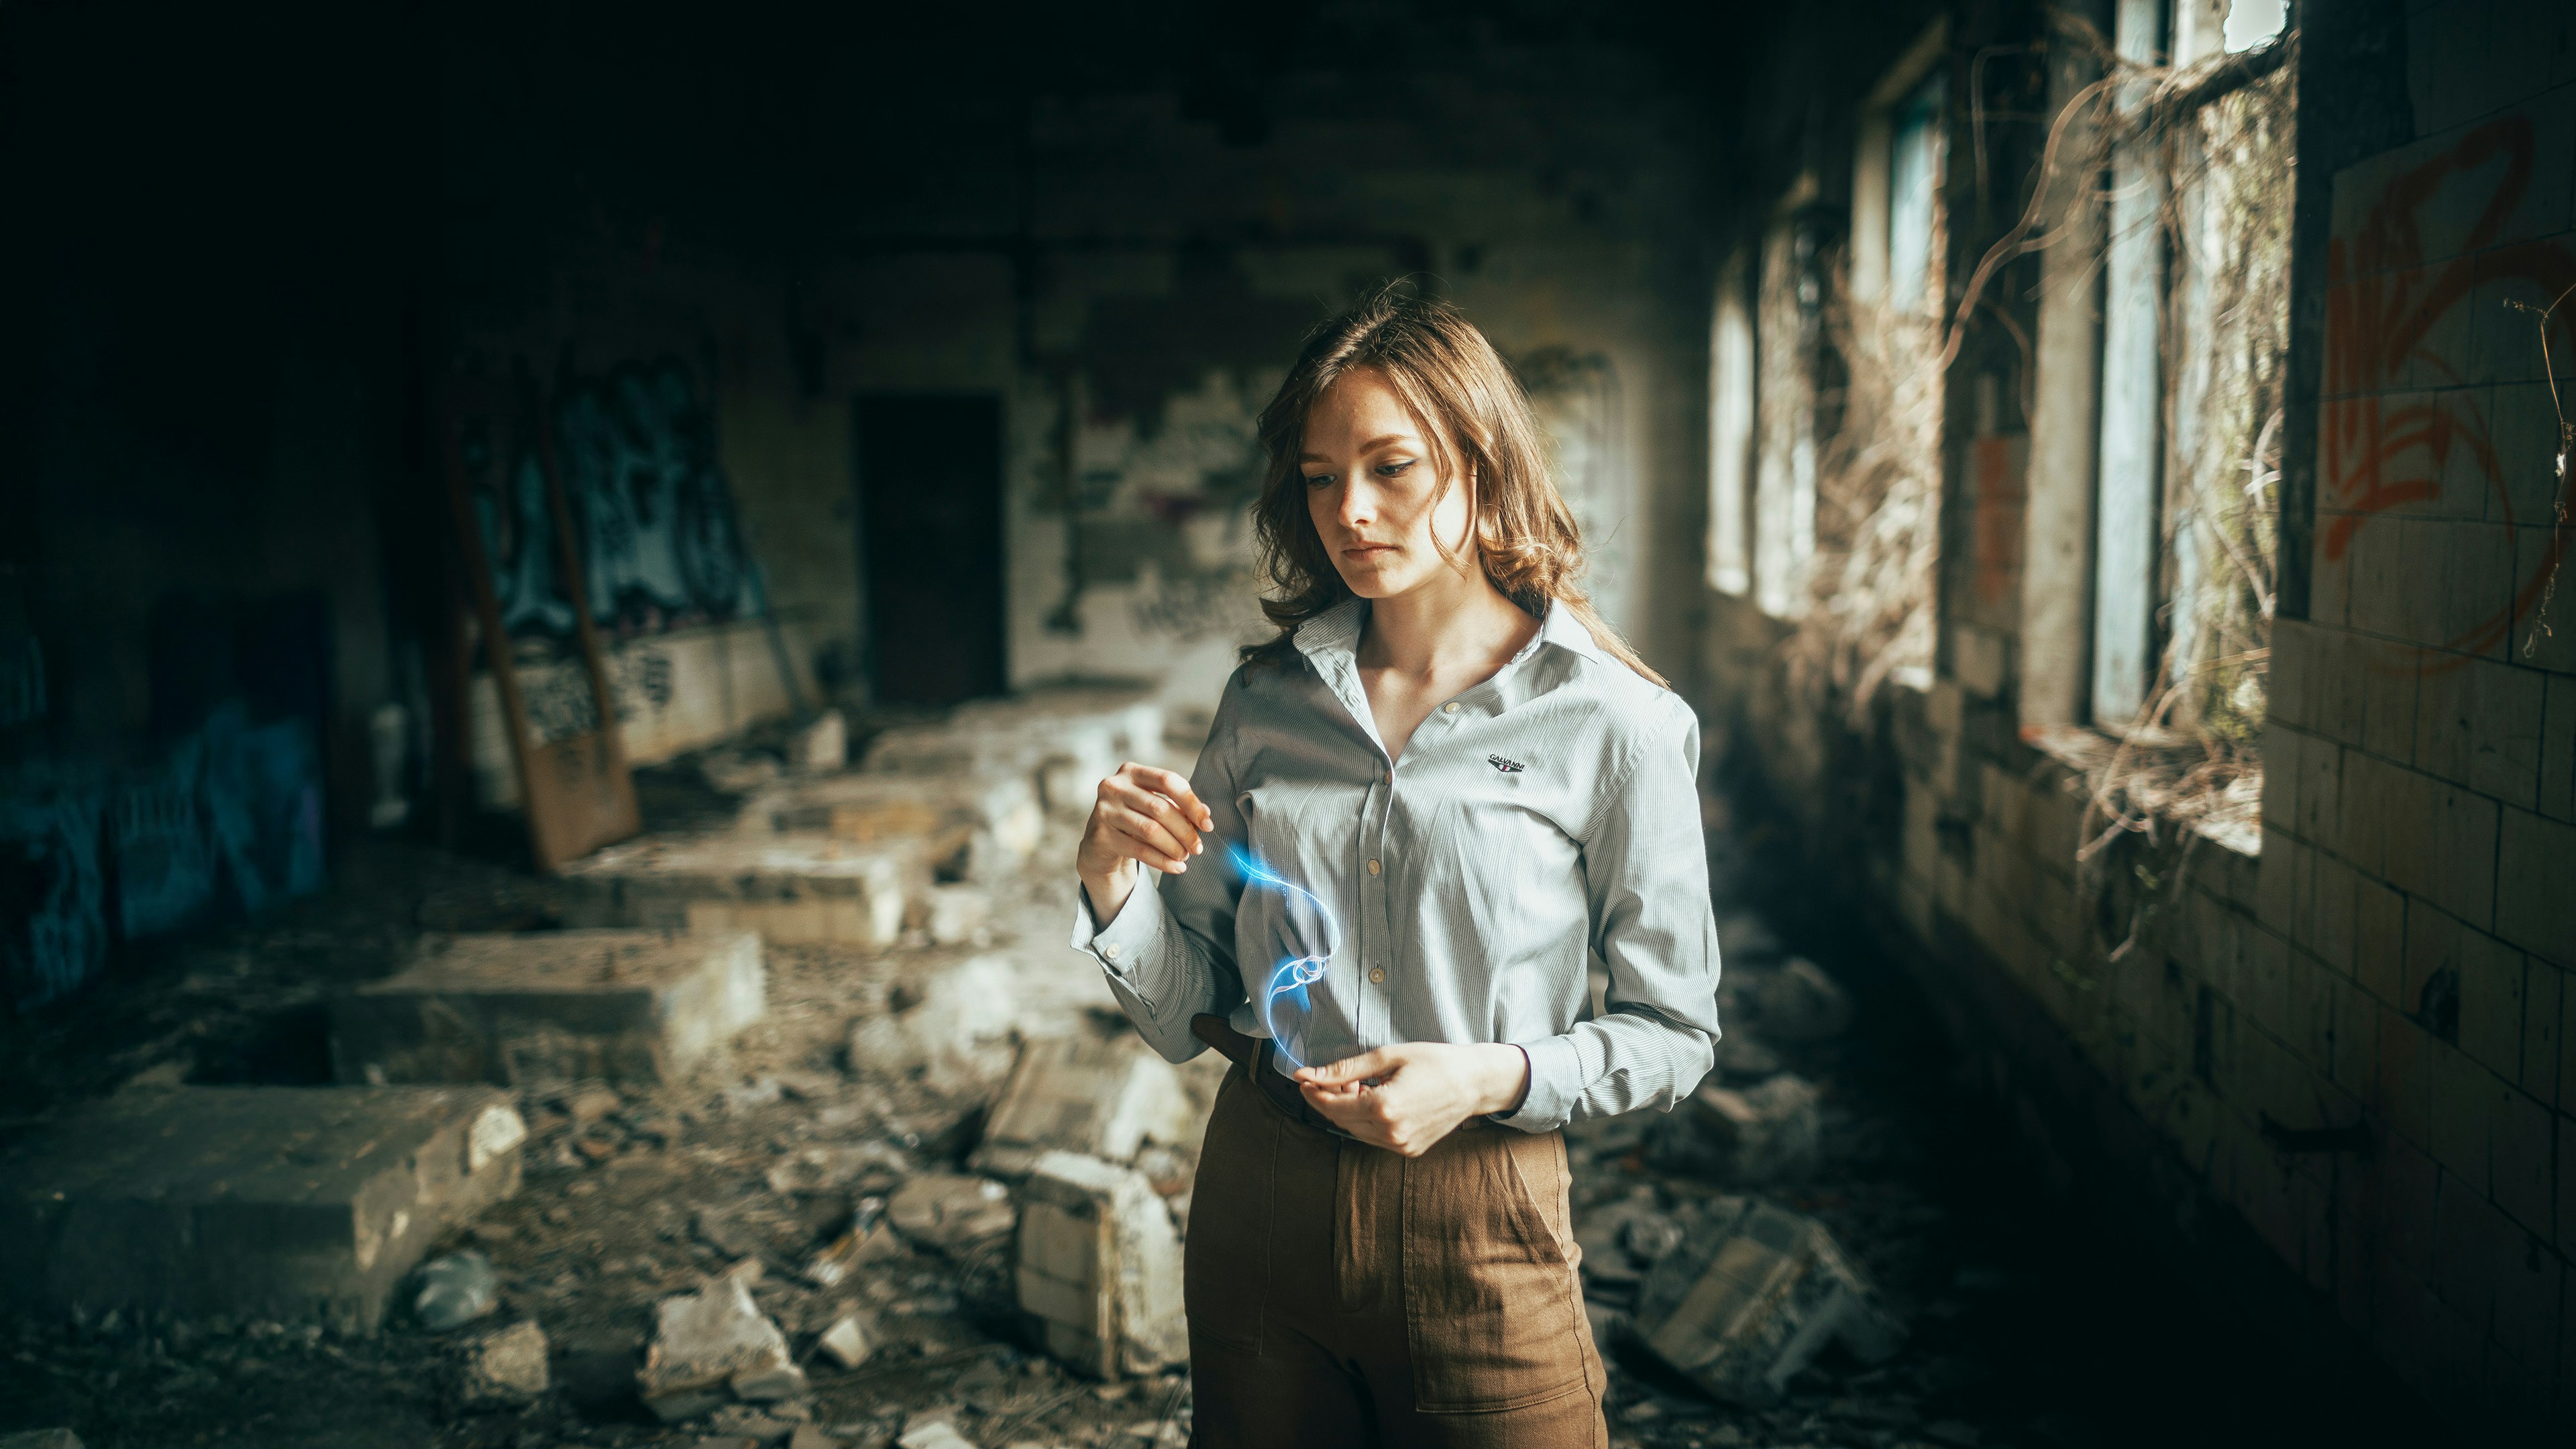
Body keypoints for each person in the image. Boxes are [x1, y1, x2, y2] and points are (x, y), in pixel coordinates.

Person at [1071, 285, 1722, 1448]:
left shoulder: (1613, 722)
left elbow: (1678, 1035)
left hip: (1485, 1213)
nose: (1351, 512)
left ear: (1480, 465)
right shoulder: (1264, 704)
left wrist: (1483, 1079)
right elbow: (1195, 1012)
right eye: (1321, 477)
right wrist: (1114, 887)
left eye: (1393, 468)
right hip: (1259, 1201)